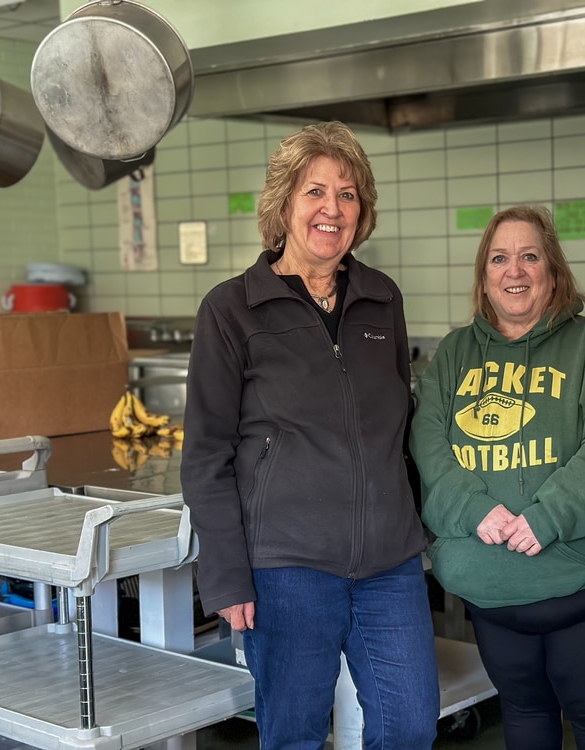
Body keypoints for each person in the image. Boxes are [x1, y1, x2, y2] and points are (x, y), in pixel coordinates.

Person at [180, 121, 440, 750]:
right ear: (284, 205)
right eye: (315, 192)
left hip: (389, 564)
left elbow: (399, 424)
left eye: (348, 194)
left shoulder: (383, 300)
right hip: (287, 567)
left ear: (363, 211)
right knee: (294, 733)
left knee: (410, 726)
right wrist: (226, 575)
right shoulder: (232, 309)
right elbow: (207, 453)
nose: (332, 208)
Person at [410, 204, 585, 750]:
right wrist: (475, 510)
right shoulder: (453, 354)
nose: (513, 271)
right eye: (499, 258)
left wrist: (547, 516)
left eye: (529, 256)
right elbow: (429, 444)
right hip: (489, 580)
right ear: (484, 277)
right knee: (524, 711)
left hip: (578, 576)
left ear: (553, 272)